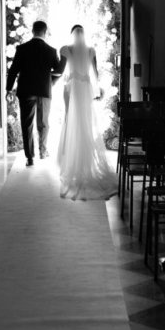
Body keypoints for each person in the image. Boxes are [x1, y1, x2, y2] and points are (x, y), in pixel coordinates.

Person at [57, 25, 117, 201]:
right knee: (85, 123)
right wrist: (99, 89)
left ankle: (74, 164)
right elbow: (95, 72)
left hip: (72, 88)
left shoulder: (66, 49)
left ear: (72, 35)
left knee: (71, 122)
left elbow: (60, 70)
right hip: (86, 88)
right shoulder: (90, 50)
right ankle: (84, 164)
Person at [6, 20, 65, 166]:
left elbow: (13, 70)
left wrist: (8, 89)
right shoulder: (51, 50)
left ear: (33, 31)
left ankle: (30, 157)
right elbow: (58, 71)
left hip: (26, 90)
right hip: (44, 91)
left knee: (27, 124)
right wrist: (50, 83)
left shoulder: (22, 48)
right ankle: (42, 151)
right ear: (45, 32)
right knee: (44, 123)